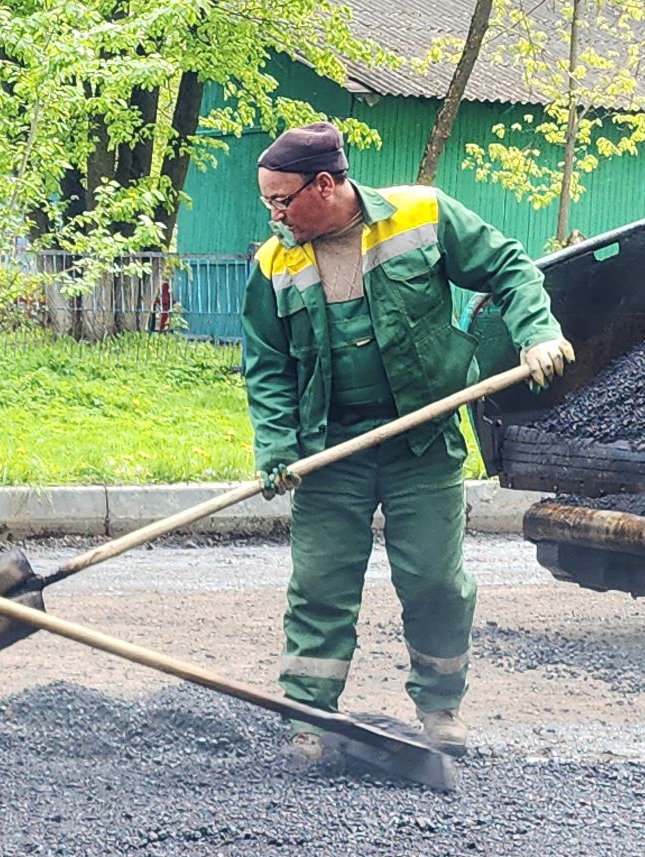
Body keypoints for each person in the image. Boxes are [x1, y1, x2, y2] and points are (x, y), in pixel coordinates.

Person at [242, 121, 574, 762]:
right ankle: (309, 718)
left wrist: (535, 332)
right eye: (268, 203)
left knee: (435, 582)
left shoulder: (420, 215)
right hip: (327, 449)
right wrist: (279, 448)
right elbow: (267, 367)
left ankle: (439, 707)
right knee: (320, 584)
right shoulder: (273, 264)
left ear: (327, 184)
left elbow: (509, 267)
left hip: (421, 441)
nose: (275, 214)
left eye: (283, 200)